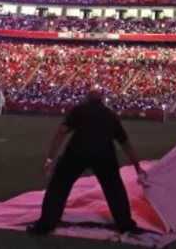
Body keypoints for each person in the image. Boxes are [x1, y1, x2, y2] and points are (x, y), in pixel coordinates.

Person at [28, 89, 145, 236]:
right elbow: (126, 145)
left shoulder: (80, 110)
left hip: (77, 151)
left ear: (87, 98)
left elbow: (62, 132)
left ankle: (46, 224)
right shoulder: (110, 115)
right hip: (104, 153)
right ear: (102, 100)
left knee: (59, 186)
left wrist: (50, 158)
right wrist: (137, 168)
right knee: (115, 189)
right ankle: (126, 225)